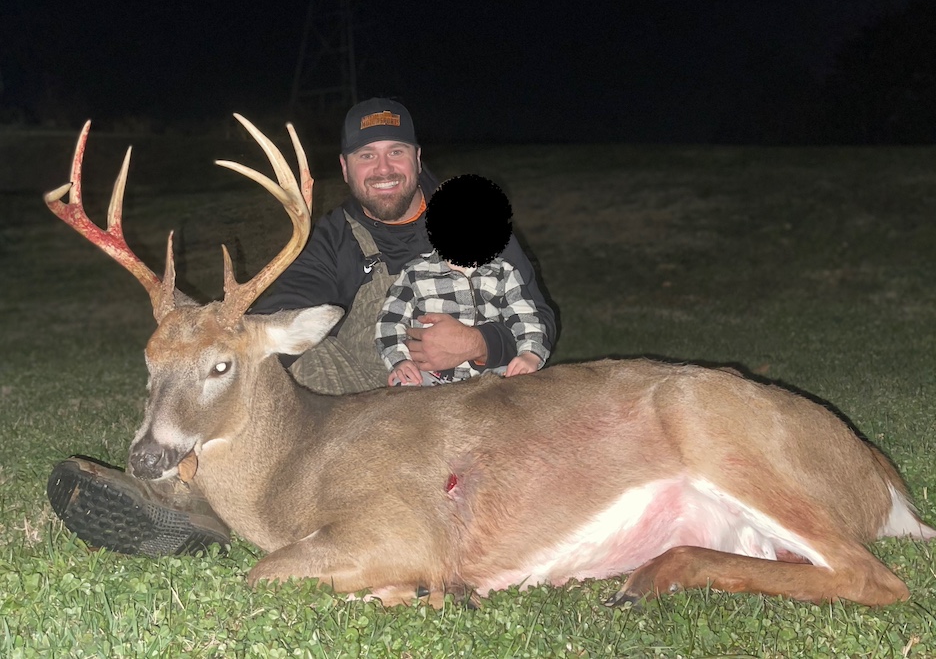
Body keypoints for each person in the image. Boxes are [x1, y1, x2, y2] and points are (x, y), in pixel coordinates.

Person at [46, 97, 557, 557]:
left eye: (395, 152)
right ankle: (184, 491)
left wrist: (479, 342)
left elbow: (538, 316)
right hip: (377, 383)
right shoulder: (335, 238)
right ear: (346, 167)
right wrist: (219, 340)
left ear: (417, 158)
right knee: (262, 371)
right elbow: (288, 306)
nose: (383, 169)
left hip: (473, 393)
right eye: (366, 155)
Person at [378, 173, 549, 386]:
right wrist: (399, 360)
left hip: (489, 376)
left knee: (523, 387)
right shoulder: (414, 273)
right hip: (428, 376)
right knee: (402, 385)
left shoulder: (503, 273)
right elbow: (390, 321)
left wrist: (530, 355)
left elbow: (527, 319)